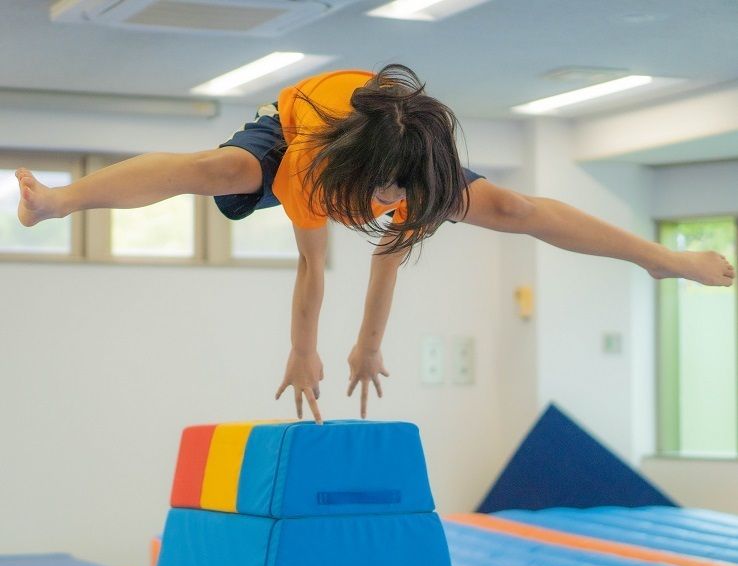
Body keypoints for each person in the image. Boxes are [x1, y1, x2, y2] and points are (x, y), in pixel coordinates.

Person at [15, 64, 735, 425]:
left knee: (513, 206)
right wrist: (304, 348)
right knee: (219, 169)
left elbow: (393, 251)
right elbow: (311, 265)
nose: (390, 210)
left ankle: (664, 260)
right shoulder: (315, 176)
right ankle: (58, 201)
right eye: (382, 198)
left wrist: (368, 342)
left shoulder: (419, 178)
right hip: (300, 129)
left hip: (390, 142)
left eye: (400, 199)